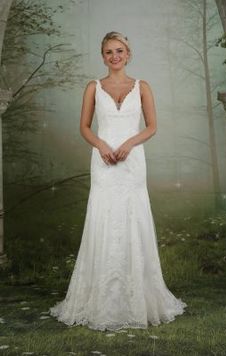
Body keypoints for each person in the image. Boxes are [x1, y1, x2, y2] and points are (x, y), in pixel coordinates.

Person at [49, 31, 187, 331]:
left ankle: (139, 297)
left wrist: (130, 144)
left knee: (132, 217)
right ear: (103, 56)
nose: (115, 56)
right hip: (103, 161)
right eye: (109, 52)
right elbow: (84, 127)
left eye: (120, 51)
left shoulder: (142, 87)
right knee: (104, 217)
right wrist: (100, 146)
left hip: (132, 162)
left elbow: (152, 126)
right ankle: (99, 298)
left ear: (129, 54)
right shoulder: (93, 87)